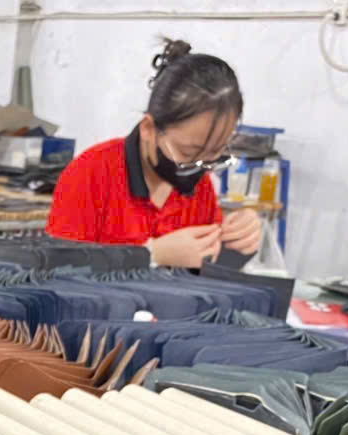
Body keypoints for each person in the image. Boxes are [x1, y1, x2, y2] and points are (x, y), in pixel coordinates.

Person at [46, 40, 262, 268]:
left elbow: (210, 268)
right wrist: (150, 256)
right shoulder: (91, 173)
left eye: (214, 153)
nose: (198, 166)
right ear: (149, 128)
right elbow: (59, 270)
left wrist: (237, 240)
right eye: (187, 152)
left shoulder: (200, 187)